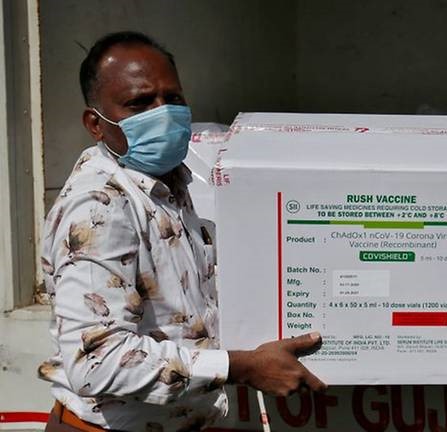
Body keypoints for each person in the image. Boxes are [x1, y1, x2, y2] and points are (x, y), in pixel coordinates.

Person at [38, 31, 325, 431]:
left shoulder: (172, 184)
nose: (162, 113)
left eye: (172, 98)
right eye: (139, 103)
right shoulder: (100, 206)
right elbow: (96, 362)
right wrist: (242, 366)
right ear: (96, 124)